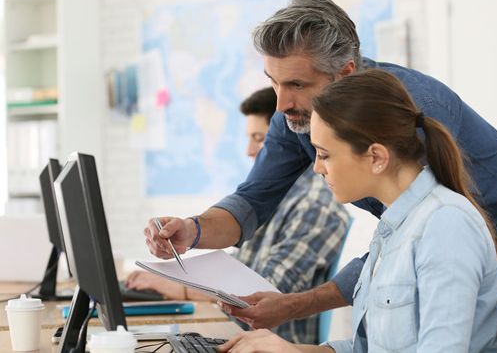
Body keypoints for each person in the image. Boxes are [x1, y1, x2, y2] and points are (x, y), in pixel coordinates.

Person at [145, 0, 497, 351]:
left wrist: (295, 309)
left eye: (297, 85)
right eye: (273, 83)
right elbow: (253, 201)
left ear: (344, 73)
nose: (281, 104)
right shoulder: (300, 119)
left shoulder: (411, 121)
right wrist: (192, 230)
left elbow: (424, 242)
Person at [218, 68, 497, 352]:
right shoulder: (394, 227)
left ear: (376, 157)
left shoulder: (446, 225)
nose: (318, 168)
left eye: (325, 155)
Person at [128, 87, 350, 344]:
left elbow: (263, 292)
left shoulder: (314, 208)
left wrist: (177, 288)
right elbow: (241, 267)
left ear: (287, 142)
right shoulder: (271, 201)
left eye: (259, 138)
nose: (249, 150)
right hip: (237, 336)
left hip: (270, 342)